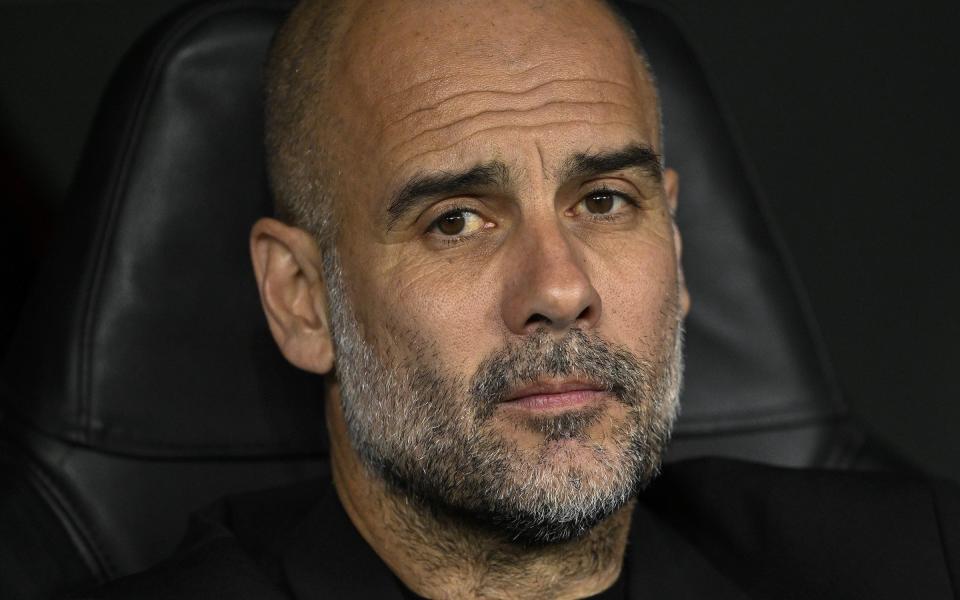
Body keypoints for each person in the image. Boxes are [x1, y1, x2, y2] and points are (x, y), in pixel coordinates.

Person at [74, 0, 959, 598]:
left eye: (605, 201)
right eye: (457, 220)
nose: (562, 289)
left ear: (680, 252)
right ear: (303, 300)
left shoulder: (912, 561)